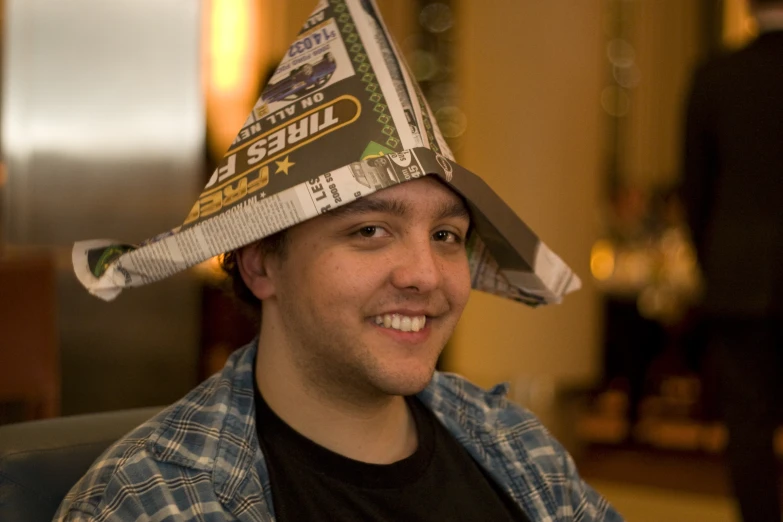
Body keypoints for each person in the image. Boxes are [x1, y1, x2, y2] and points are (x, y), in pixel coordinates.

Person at [56, 0, 623, 520]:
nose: (425, 274)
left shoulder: (517, 446)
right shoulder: (157, 499)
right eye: (371, 230)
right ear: (260, 264)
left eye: (447, 235)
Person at [681, 1, 783, 520]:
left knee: (747, 424)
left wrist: (713, 262)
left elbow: (695, 186)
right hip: (742, 273)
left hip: (739, 276)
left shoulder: (718, 74)